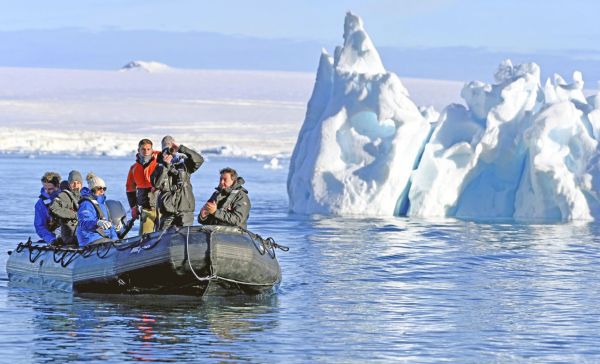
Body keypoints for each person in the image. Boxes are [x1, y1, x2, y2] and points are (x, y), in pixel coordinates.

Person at [151, 135, 204, 230]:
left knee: (185, 238)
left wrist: (181, 148)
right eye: (166, 149)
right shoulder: (158, 167)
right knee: (163, 239)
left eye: (171, 149)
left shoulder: (185, 165)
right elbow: (156, 184)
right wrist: (165, 166)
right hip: (167, 211)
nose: (169, 152)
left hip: (185, 211)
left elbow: (199, 160)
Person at [126, 138, 160, 235]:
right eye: (143, 149)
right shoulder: (134, 168)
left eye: (148, 149)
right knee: (144, 237)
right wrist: (133, 207)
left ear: (152, 150)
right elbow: (130, 189)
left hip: (161, 208)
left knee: (163, 235)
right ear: (139, 150)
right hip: (145, 208)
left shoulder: (159, 164)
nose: (146, 152)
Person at [76, 172, 118, 246]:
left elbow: (110, 225)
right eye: (99, 188)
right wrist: (97, 223)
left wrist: (116, 239)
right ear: (92, 189)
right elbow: (83, 222)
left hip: (104, 238)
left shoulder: (103, 204)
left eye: (104, 188)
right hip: (90, 238)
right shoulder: (86, 204)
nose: (102, 191)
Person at [49, 170, 83, 246]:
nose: (76, 185)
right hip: (70, 234)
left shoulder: (83, 197)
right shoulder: (63, 196)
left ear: (81, 184)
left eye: (78, 183)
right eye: (73, 183)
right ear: (69, 184)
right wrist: (74, 215)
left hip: (82, 232)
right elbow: (53, 208)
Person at [34, 171, 62, 244]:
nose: (47, 192)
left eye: (50, 189)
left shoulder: (67, 198)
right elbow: (40, 226)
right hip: (53, 236)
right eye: (45, 188)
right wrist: (51, 239)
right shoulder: (40, 204)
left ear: (58, 186)